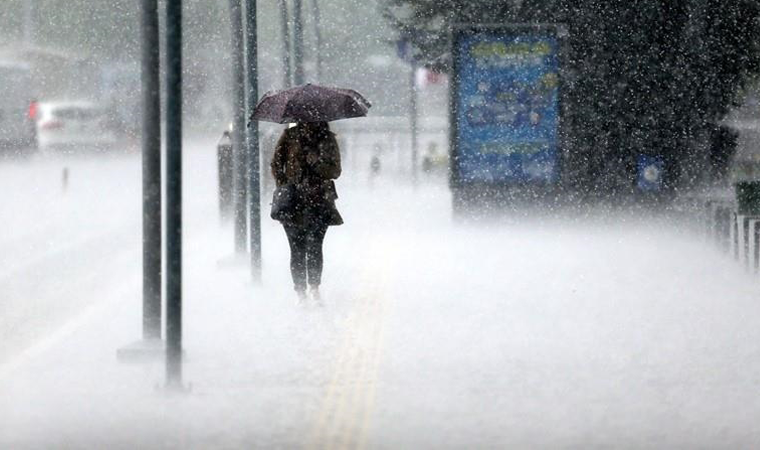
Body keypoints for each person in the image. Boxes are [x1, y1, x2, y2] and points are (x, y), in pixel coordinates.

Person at [271, 121, 343, 304]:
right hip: (293, 202)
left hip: (319, 200)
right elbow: (276, 164)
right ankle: (300, 292)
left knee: (315, 246)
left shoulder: (327, 138)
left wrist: (317, 163)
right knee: (296, 248)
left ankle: (314, 287)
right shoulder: (290, 136)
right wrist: (285, 185)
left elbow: (335, 171)